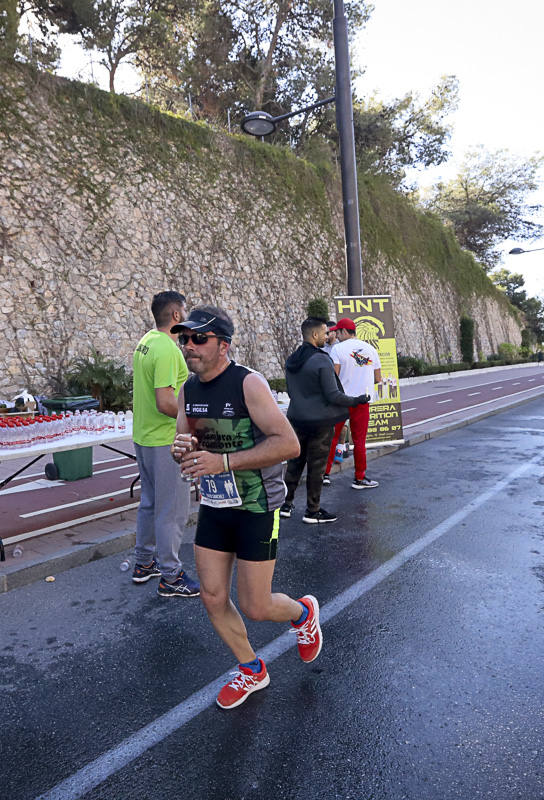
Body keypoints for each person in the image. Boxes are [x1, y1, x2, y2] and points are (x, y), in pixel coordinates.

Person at [170, 306, 320, 710]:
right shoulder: (189, 390)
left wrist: (223, 462)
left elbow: (289, 445)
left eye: (199, 338)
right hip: (216, 505)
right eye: (185, 338)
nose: (189, 346)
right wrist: (182, 449)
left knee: (256, 605)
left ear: (224, 345)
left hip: (257, 506)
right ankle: (251, 668)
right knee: (212, 595)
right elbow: (186, 441)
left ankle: (303, 613)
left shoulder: (248, 384)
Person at [130, 291, 200, 597]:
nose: (186, 315)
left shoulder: (145, 342)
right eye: (184, 311)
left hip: (144, 437)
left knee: (149, 503)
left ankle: (144, 562)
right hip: (164, 441)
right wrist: (195, 420)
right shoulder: (169, 350)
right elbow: (165, 402)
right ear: (176, 316)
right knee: (172, 511)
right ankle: (171, 576)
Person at [281, 317, 369, 524]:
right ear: (314, 335)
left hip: (295, 418)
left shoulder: (292, 359)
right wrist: (356, 400)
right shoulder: (321, 360)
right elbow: (333, 395)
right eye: (324, 332)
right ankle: (313, 510)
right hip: (319, 422)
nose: (328, 335)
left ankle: (286, 504)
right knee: (316, 467)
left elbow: (292, 391)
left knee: (294, 463)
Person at [324, 318, 381, 489]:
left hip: (341, 400)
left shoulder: (337, 349)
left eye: (337, 332)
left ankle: (324, 474)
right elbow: (378, 378)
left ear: (342, 332)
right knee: (359, 440)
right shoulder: (371, 349)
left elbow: (334, 376)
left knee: (332, 438)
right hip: (362, 401)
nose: (336, 335)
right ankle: (359, 478)